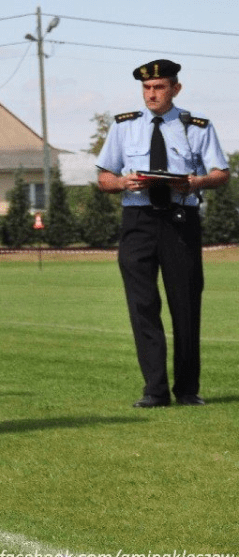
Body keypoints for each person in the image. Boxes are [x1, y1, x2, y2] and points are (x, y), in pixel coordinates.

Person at [95, 59, 229, 409]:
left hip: (179, 219)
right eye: (147, 88)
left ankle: (187, 390)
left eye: (159, 87)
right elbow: (104, 178)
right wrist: (124, 181)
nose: (152, 94)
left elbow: (221, 173)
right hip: (137, 220)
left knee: (185, 306)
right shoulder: (124, 126)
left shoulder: (196, 126)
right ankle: (154, 390)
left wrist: (195, 181)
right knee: (143, 306)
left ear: (176, 89)